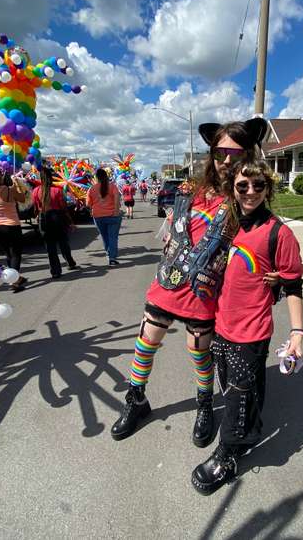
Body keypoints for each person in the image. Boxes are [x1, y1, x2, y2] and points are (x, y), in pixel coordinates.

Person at [110, 117, 268, 448]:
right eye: (220, 151)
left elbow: (263, 237)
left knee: (199, 352)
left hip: (205, 292)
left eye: (235, 154)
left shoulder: (245, 197)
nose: (226, 160)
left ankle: (205, 405)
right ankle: (136, 401)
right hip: (168, 283)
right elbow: (171, 234)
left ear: (248, 156)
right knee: (145, 342)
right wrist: (170, 226)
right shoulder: (189, 190)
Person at [190, 159, 303, 495]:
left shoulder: (278, 233)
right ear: (233, 190)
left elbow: (295, 283)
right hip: (221, 323)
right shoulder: (228, 224)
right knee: (235, 388)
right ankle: (250, 430)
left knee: (238, 396)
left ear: (267, 188)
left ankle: (227, 453)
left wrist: (297, 332)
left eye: (258, 185)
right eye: (243, 186)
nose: (250, 192)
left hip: (252, 330)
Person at [32, 165, 78, 279]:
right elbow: (64, 208)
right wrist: (70, 222)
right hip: (58, 218)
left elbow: (35, 208)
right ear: (51, 177)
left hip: (44, 219)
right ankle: (70, 262)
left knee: (50, 247)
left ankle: (55, 271)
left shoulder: (36, 191)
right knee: (63, 242)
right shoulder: (57, 190)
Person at [86, 167, 122, 266]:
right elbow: (117, 199)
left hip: (98, 216)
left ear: (96, 177)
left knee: (105, 236)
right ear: (106, 176)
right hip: (112, 215)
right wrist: (116, 211)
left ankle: (109, 253)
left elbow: (88, 204)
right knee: (113, 237)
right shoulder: (112, 186)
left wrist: (91, 210)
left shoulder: (91, 189)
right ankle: (112, 258)